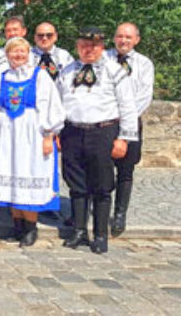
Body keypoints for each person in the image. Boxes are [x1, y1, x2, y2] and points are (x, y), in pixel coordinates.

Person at [56, 27, 138, 254]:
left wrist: (124, 138)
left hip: (102, 132)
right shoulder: (67, 71)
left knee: (102, 186)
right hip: (72, 132)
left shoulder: (114, 71)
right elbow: (58, 102)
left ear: (102, 46)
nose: (88, 50)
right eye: (83, 45)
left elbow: (128, 106)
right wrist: (56, 131)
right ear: (77, 47)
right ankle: (79, 231)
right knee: (76, 185)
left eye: (93, 46)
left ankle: (101, 234)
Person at [0, 37, 65, 247]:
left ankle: (30, 227)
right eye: (13, 52)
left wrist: (48, 134)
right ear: (7, 55)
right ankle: (17, 225)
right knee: (11, 177)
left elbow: (51, 107)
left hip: (31, 134)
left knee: (28, 174)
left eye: (22, 51)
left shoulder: (40, 76)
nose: (18, 55)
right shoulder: (1, 77)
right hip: (7, 136)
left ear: (28, 53)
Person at [105, 22, 154, 237]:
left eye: (128, 37)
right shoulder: (103, 58)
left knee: (125, 171)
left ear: (136, 40)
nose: (123, 40)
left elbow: (144, 96)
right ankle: (94, 210)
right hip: (104, 121)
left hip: (131, 121)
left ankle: (119, 214)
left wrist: (125, 118)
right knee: (98, 168)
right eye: (119, 36)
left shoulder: (144, 64)